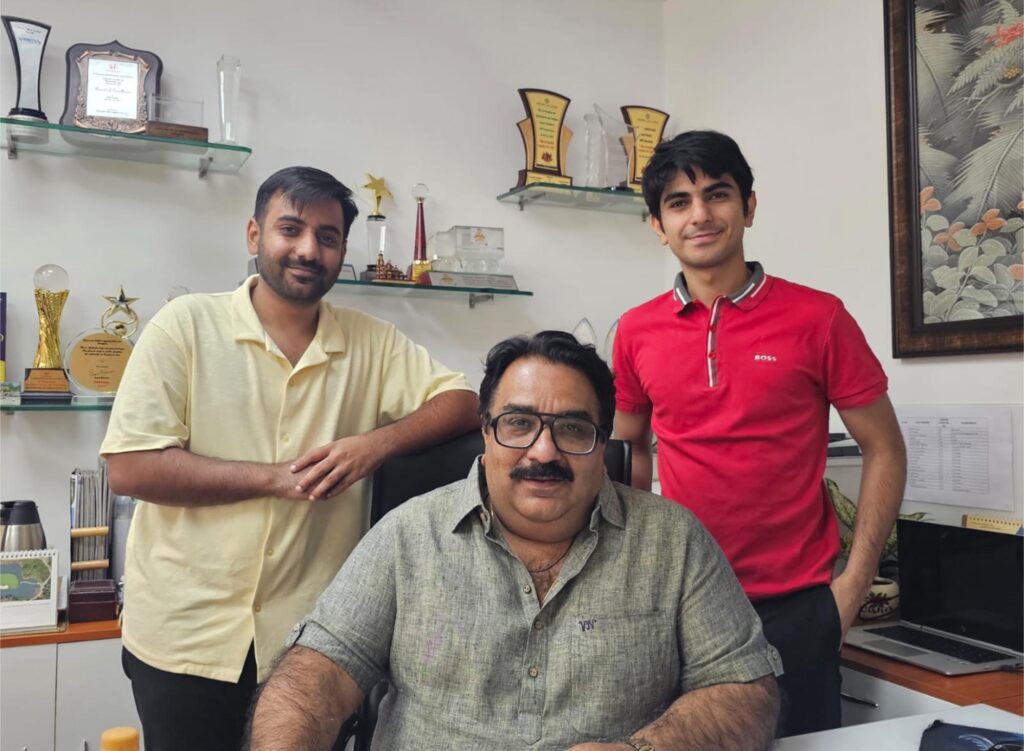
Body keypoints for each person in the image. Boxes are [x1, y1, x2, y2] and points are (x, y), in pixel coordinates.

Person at [248, 331, 782, 751]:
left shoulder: (674, 542)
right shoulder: (407, 536)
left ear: (603, 443)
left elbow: (745, 691)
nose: (543, 452)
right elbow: (313, 676)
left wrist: (645, 749)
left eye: (573, 429)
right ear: (485, 432)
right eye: (519, 423)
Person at [100, 166, 480, 751]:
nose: (308, 250)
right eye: (290, 229)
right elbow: (131, 467)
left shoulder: (372, 341)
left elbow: (463, 402)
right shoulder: (185, 326)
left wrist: (374, 445)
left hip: (311, 647)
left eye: (327, 237)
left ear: (343, 252)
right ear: (254, 235)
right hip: (185, 639)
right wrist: (275, 479)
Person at [612, 130, 908, 736]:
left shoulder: (819, 317)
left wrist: (853, 585)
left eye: (717, 194)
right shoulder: (636, 331)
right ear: (658, 226)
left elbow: (884, 448)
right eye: (679, 202)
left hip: (798, 607)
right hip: (679, 601)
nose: (700, 215)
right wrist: (629, 570)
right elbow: (628, 450)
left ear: (748, 207)